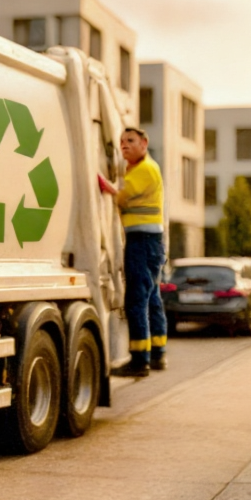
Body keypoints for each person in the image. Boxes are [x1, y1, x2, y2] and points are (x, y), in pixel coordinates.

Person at [98, 127, 167, 377]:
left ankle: (139, 361)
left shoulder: (144, 169)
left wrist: (101, 182)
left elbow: (121, 197)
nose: (124, 145)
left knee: (136, 299)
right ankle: (157, 354)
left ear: (144, 143)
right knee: (151, 298)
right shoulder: (141, 168)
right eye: (122, 142)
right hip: (150, 241)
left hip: (142, 242)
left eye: (130, 140)